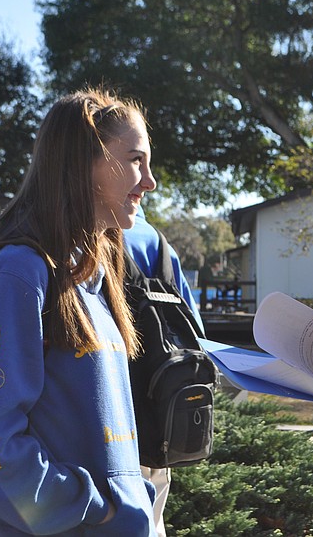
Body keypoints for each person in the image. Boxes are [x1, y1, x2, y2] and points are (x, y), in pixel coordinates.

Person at [0, 88, 159, 536]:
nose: (149, 181)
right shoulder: (17, 276)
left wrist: (134, 505)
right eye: (136, 160)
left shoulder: (93, 281)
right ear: (85, 162)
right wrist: (92, 510)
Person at [124, 209, 204, 537]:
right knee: (154, 518)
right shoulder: (161, 245)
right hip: (164, 411)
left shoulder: (95, 235)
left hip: (121, 409)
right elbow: (195, 329)